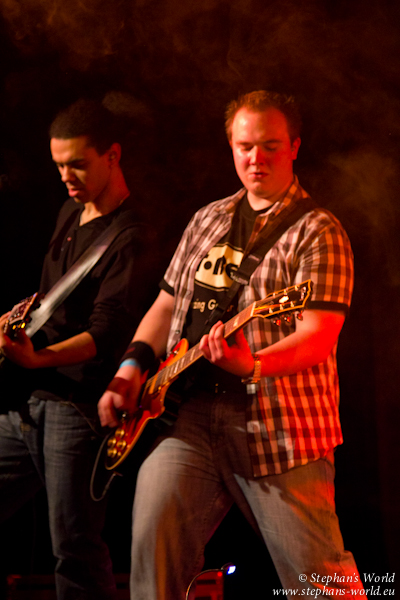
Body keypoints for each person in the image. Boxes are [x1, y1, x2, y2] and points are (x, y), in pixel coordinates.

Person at [98, 90, 364, 599]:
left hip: (281, 428)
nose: (256, 158)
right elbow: (165, 306)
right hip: (187, 419)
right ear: (231, 147)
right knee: (151, 565)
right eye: (245, 146)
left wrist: (252, 365)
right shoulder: (207, 219)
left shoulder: (318, 231)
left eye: (270, 146)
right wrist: (129, 369)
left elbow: (317, 336)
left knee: (320, 583)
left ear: (294, 147)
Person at [0, 99, 147, 600]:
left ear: (112, 156)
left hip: (77, 408)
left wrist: (38, 358)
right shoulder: (68, 211)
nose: (66, 176)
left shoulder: (130, 235)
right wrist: (23, 321)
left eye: (78, 164)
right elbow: (56, 300)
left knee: (75, 549)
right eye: (59, 165)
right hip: (31, 402)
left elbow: (108, 333)